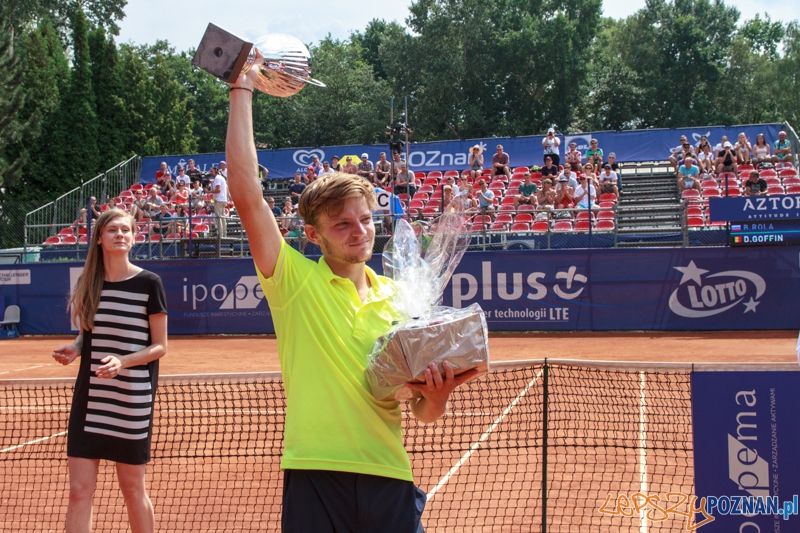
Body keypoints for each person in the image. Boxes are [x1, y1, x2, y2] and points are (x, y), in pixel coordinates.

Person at [225, 60, 476, 533]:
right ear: (314, 235)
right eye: (342, 223)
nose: (359, 231)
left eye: (364, 219)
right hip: (316, 473)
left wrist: (438, 396)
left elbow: (420, 408)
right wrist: (243, 89)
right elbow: (246, 193)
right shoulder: (292, 280)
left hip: (389, 474)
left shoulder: (402, 298)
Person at [52, 208, 167, 533]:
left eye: (125, 230)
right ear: (100, 238)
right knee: (78, 492)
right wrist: (76, 348)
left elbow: (160, 346)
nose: (120, 235)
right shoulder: (90, 282)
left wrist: (123, 361)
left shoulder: (149, 284)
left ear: (133, 238)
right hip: (90, 401)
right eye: (112, 230)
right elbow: (90, 332)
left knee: (133, 490)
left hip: (131, 402)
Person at [211, 167, 229, 237]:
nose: (210, 172)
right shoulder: (221, 178)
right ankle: (224, 234)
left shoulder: (217, 178)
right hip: (223, 199)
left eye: (212, 171)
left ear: (216, 171)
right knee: (222, 217)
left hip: (219, 200)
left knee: (219, 218)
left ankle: (220, 235)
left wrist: (209, 191)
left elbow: (218, 190)